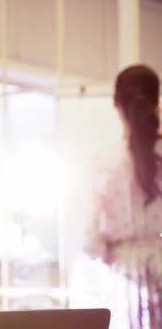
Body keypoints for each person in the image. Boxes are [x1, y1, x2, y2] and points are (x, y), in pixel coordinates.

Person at [84, 64, 162, 329]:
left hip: (122, 285)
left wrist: (111, 253)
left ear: (116, 104)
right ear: (156, 102)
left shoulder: (104, 162)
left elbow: (89, 240)